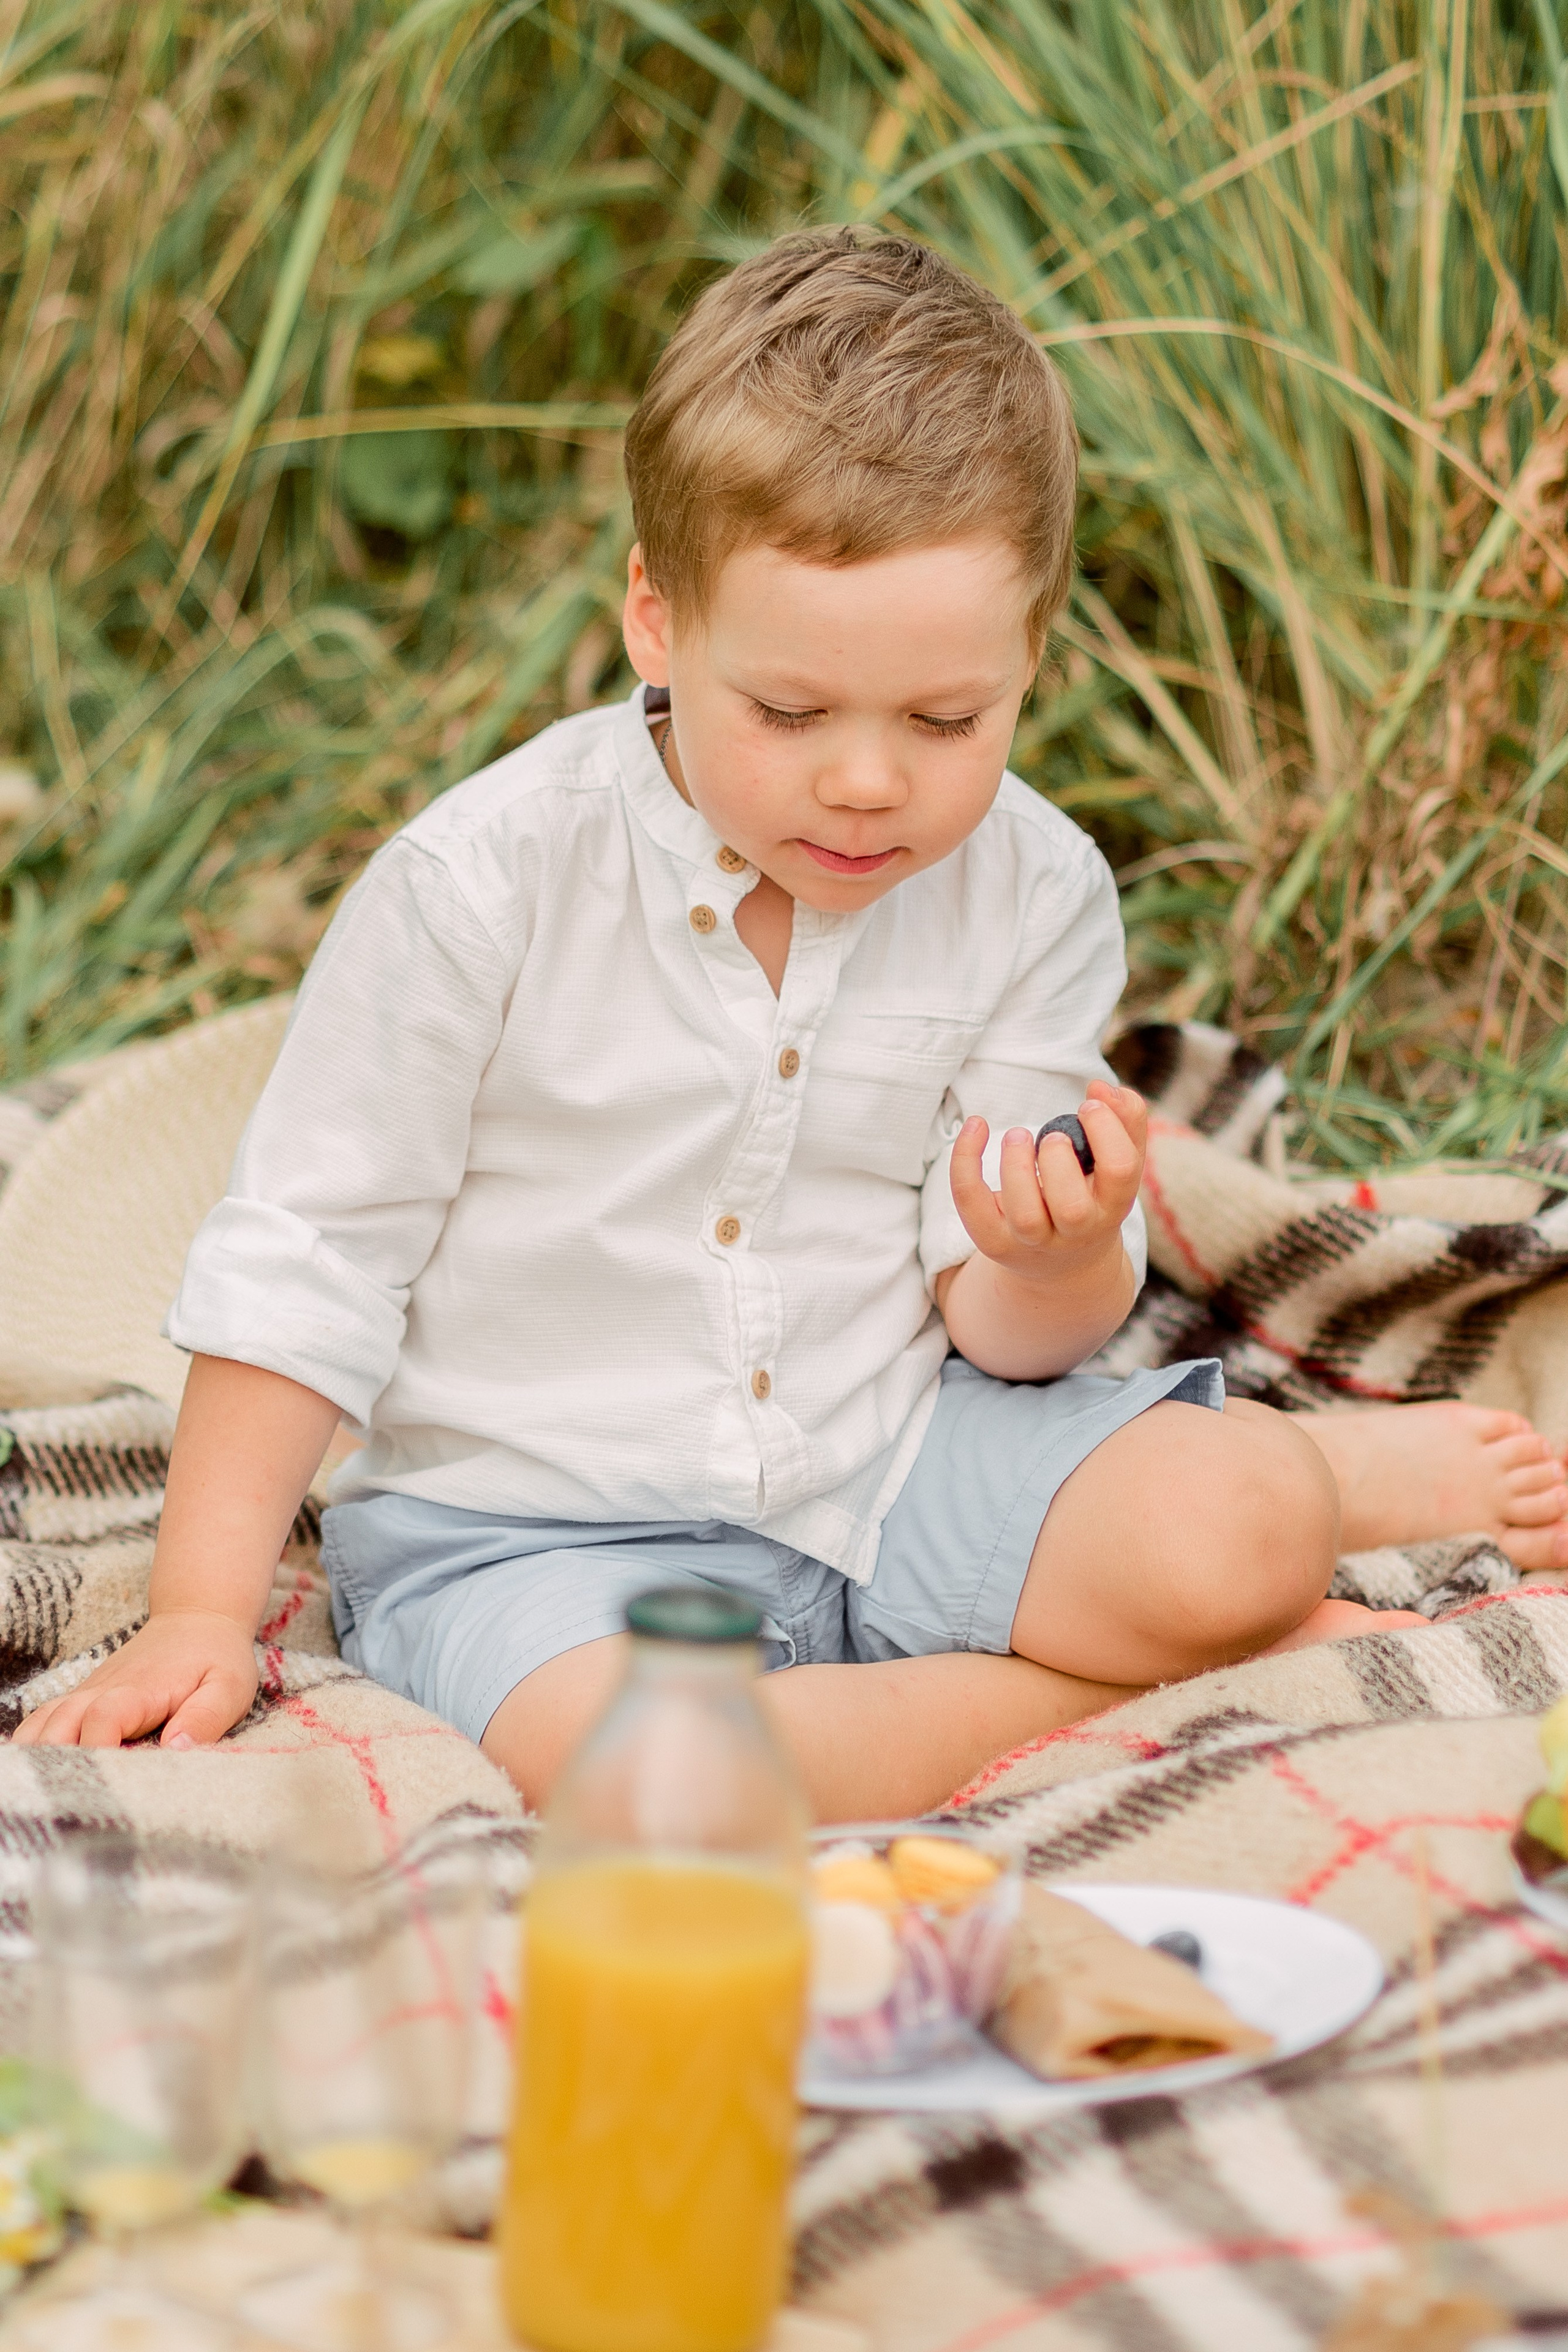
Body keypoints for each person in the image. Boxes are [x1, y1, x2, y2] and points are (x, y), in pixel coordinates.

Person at [16, 232, 1567, 1819]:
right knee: (643, 1777)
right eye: (792, 712)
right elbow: (311, 1255)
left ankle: (1281, 1529)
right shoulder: (482, 887)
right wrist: (202, 1614)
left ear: (1032, 651)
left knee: (1233, 1527)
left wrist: (1050, 1249)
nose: (869, 782)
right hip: (543, 1532)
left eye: (947, 720)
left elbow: (1005, 1329)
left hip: (896, 1458)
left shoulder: (1030, 889)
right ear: (657, 623)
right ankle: (1141, 1679)